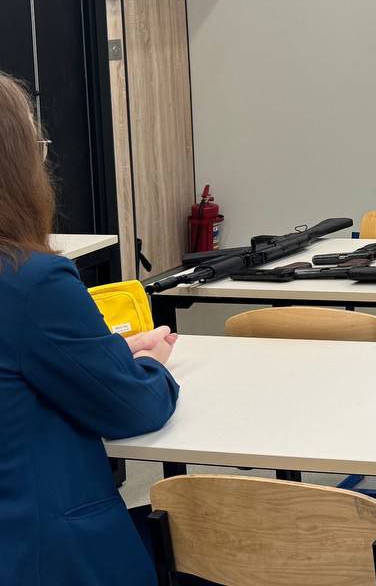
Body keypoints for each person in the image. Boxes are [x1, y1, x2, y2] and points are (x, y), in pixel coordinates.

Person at [0, 71, 181, 586]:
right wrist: (149, 364)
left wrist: (108, 350)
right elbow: (132, 408)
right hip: (43, 552)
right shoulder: (32, 281)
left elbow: (25, 364)